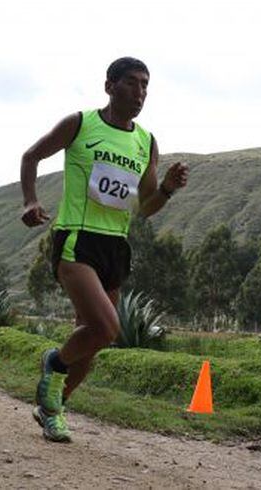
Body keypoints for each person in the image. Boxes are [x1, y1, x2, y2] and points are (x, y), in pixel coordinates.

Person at [19, 57, 189, 442]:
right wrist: (29, 201)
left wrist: (167, 189)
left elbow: (145, 208)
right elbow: (31, 157)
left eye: (145, 85)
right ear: (110, 86)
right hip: (77, 239)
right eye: (132, 82)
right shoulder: (80, 124)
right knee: (106, 328)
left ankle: (52, 408)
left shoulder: (146, 142)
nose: (140, 92)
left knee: (91, 342)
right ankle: (54, 361)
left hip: (116, 246)